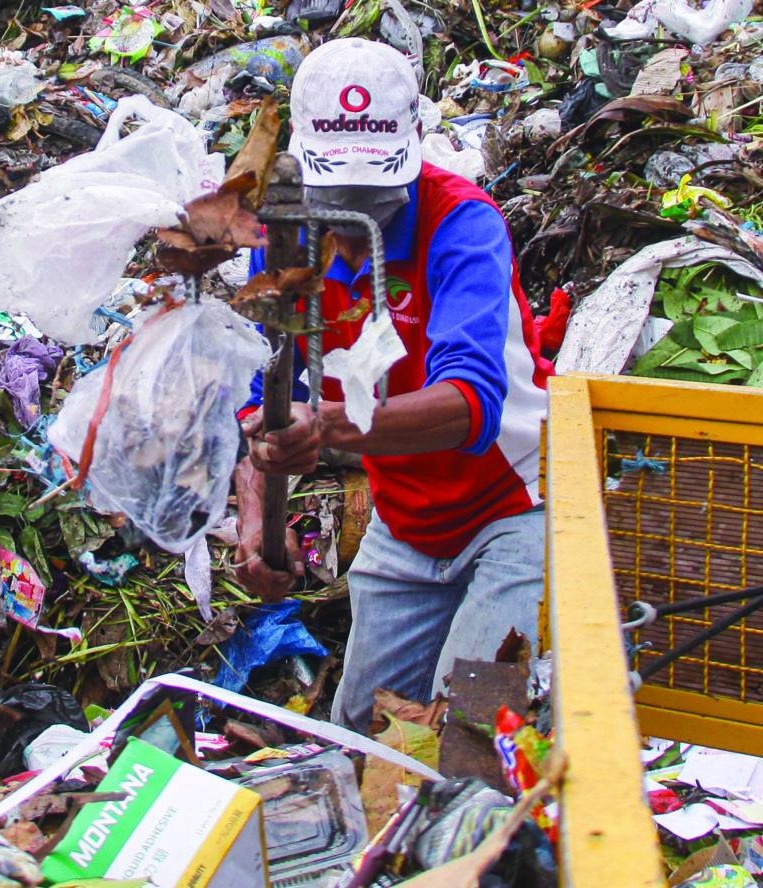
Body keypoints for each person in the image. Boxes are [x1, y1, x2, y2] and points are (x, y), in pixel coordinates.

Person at [233, 37, 553, 733]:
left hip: (516, 506)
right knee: (363, 740)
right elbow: (263, 401)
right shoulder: (286, 241)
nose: (354, 221)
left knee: (466, 735)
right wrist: (257, 513)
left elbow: (471, 403)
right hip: (407, 522)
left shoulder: (462, 226)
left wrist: (329, 426)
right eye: (339, 195)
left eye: (373, 197)